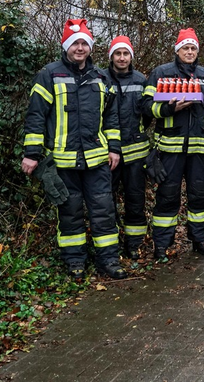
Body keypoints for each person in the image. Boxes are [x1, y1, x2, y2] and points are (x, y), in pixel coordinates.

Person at [21, 19, 126, 280]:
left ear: (90, 47)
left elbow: (111, 117)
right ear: (66, 46)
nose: (80, 48)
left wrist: (114, 148)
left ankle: (108, 260)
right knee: (70, 213)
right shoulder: (49, 74)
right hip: (64, 161)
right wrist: (32, 153)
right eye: (75, 43)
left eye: (84, 44)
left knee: (104, 211)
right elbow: (36, 115)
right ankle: (75, 260)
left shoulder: (101, 77)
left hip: (97, 160)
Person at [142, 28, 204, 260]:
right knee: (167, 196)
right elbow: (146, 106)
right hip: (170, 147)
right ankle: (161, 244)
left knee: (199, 195)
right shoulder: (161, 73)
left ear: (197, 51)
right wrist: (169, 108)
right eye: (185, 48)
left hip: (200, 148)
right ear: (177, 50)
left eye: (193, 48)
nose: (189, 52)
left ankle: (199, 239)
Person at [102, 35, 151, 260]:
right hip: (106, 154)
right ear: (111, 56)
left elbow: (148, 115)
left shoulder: (142, 80)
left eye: (126, 54)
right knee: (106, 201)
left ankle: (134, 244)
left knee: (135, 200)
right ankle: (110, 245)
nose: (122, 58)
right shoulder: (100, 78)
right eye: (118, 54)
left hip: (136, 153)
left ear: (131, 56)